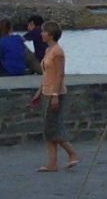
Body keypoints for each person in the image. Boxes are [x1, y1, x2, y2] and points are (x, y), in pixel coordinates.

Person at [31, 24, 78, 171]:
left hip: (55, 93)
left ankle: (73, 153)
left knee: (52, 128)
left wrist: (55, 95)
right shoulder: (48, 50)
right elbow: (46, 75)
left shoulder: (58, 52)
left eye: (44, 31)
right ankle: (52, 163)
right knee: (48, 130)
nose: (42, 34)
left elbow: (60, 75)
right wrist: (39, 92)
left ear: (51, 34)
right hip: (46, 92)